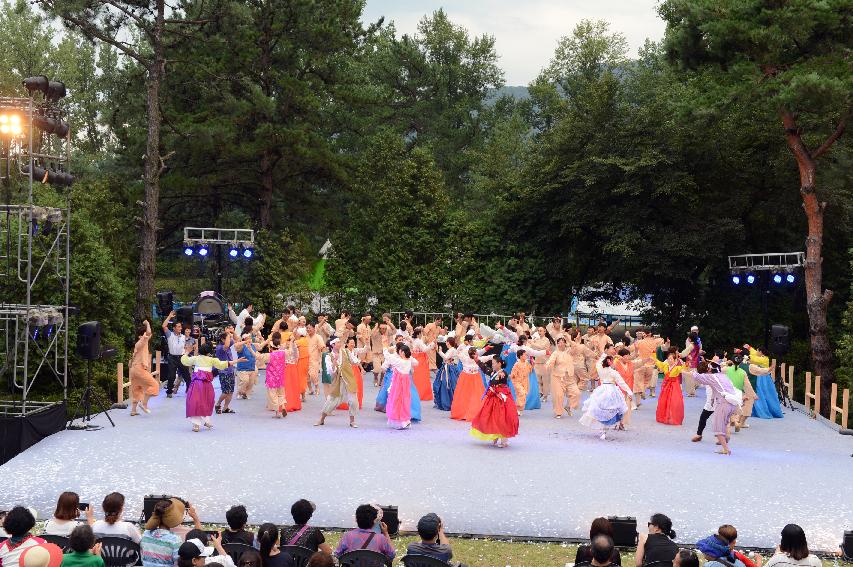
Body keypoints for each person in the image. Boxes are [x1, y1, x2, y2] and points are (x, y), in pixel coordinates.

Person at [182, 342, 241, 431]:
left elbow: (184, 361)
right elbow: (223, 364)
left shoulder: (196, 358)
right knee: (207, 401)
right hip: (207, 385)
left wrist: (186, 352)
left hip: (196, 385)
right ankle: (206, 420)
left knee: (195, 402)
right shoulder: (212, 360)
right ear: (209, 352)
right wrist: (237, 361)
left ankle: (196, 425)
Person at [686, 361, 742, 455]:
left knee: (717, 426)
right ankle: (725, 438)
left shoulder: (711, 377)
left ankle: (725, 449)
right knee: (724, 423)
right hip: (732, 403)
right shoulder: (723, 376)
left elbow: (695, 375)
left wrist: (680, 371)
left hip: (722, 403)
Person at [579, 354, 632, 440]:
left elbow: (599, 362)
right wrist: (629, 391)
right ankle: (604, 430)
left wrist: (605, 354)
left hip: (602, 390)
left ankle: (602, 430)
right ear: (610, 363)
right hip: (612, 391)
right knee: (609, 410)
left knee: (600, 409)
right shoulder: (613, 372)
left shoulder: (600, 369)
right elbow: (622, 383)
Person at [470, 356, 518, 448]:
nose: (492, 365)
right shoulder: (493, 372)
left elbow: (504, 377)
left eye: (493, 363)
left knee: (501, 418)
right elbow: (485, 369)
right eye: (492, 364)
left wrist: (503, 375)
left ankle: (504, 440)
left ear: (499, 364)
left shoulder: (502, 373)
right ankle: (495, 436)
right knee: (492, 417)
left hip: (501, 400)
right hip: (493, 398)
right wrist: (477, 360)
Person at [315, 338, 359, 428]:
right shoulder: (328, 356)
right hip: (337, 382)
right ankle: (322, 419)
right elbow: (331, 372)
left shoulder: (346, 352)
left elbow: (354, 361)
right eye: (338, 342)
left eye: (340, 342)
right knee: (331, 400)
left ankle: (352, 421)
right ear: (333, 345)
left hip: (348, 380)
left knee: (353, 400)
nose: (340, 343)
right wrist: (335, 360)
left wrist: (366, 346)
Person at [141, 499, 192, 567]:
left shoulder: (146, 534)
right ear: (172, 517)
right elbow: (178, 563)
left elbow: (142, 557)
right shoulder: (175, 539)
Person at [383, 343, 418, 429]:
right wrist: (410, 357)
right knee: (404, 401)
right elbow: (416, 363)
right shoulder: (408, 360)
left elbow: (389, 357)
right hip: (405, 382)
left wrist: (384, 348)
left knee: (397, 401)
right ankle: (404, 421)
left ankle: (399, 422)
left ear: (402, 352)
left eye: (400, 351)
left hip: (398, 384)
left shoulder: (400, 361)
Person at [744, 345, 783, 419]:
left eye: (758, 351)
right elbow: (754, 353)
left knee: (761, 393)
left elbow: (754, 359)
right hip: (760, 377)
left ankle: (763, 411)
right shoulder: (760, 356)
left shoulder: (765, 359)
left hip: (762, 378)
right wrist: (749, 348)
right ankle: (757, 410)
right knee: (762, 393)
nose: (756, 352)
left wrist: (745, 356)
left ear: (761, 352)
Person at [130, 320, 159, 415]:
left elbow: (149, 334)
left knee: (137, 388)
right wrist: (147, 323)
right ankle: (144, 403)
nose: (147, 337)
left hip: (133, 369)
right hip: (139, 369)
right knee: (154, 385)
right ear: (140, 336)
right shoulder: (141, 342)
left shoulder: (138, 344)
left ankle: (133, 410)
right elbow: (149, 333)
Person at [546, 337, 579, 418]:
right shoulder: (555, 353)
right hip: (558, 377)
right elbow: (550, 361)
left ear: (565, 343)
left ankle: (568, 406)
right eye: (559, 342)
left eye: (562, 342)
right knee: (559, 395)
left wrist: (568, 338)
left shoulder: (569, 351)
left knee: (576, 393)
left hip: (570, 377)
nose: (561, 344)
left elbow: (575, 346)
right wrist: (549, 365)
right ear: (557, 344)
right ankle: (558, 413)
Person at [654, 348, 688, 426]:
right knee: (664, 401)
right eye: (668, 359)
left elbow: (683, 368)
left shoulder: (677, 367)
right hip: (666, 385)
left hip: (674, 386)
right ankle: (665, 416)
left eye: (671, 359)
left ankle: (673, 416)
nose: (669, 360)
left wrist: (687, 362)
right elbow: (658, 363)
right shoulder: (665, 366)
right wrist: (653, 355)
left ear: (674, 360)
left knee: (674, 401)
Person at [162, 311, 189, 398]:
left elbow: (185, 346)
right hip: (172, 357)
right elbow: (164, 326)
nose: (180, 328)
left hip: (181, 357)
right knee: (171, 375)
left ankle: (190, 389)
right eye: (178, 327)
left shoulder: (184, 337)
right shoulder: (170, 335)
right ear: (174, 328)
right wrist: (170, 316)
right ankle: (169, 391)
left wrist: (186, 352)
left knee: (186, 375)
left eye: (181, 327)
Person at [724, 358, 757, 431]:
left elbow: (717, 371)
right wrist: (753, 394)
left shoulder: (726, 369)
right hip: (738, 393)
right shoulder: (743, 372)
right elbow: (748, 385)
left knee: (728, 410)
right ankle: (736, 422)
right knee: (736, 410)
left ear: (732, 361)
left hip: (728, 392)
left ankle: (732, 424)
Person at [264, 332, 288, 419]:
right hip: (280, 376)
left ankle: (277, 412)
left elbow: (259, 357)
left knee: (273, 395)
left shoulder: (269, 355)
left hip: (271, 377)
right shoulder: (283, 353)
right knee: (281, 393)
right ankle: (283, 407)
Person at [215, 327, 238, 414]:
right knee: (225, 392)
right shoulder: (220, 347)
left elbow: (236, 339)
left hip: (231, 370)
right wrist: (228, 334)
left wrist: (233, 332)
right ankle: (218, 404)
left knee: (231, 391)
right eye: (227, 338)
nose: (229, 339)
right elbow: (227, 345)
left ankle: (225, 408)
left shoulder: (227, 342)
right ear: (222, 339)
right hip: (224, 372)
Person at [433, 336, 460, 411]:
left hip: (450, 369)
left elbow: (446, 357)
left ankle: (448, 402)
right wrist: (438, 349)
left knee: (447, 384)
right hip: (446, 368)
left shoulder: (452, 350)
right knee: (444, 384)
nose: (446, 343)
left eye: (446, 342)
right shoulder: (451, 349)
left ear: (449, 342)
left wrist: (440, 351)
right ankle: (445, 401)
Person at [235, 331, 260, 400]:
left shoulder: (252, 346)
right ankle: (240, 392)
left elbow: (259, 349)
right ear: (244, 339)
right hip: (243, 368)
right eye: (248, 338)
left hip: (252, 367)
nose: (250, 339)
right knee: (245, 381)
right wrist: (245, 342)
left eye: (250, 338)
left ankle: (246, 394)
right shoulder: (241, 346)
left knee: (250, 383)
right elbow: (236, 345)